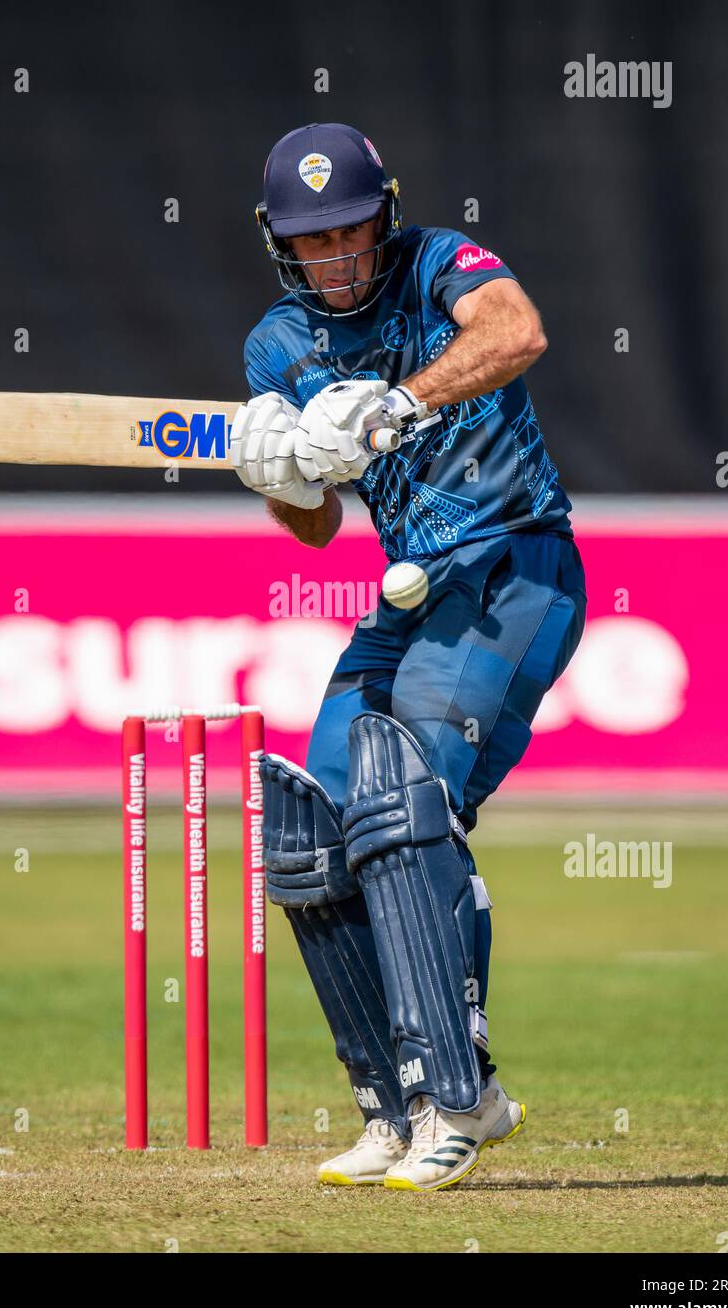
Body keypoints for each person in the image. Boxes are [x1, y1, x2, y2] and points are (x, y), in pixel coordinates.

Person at [229, 123, 587, 1191]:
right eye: (311, 241)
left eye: (350, 231)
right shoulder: (274, 346)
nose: (335, 259)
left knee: (409, 801)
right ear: (277, 243)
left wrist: (397, 400)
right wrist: (280, 476)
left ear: (385, 213)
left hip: (515, 567)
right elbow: (314, 529)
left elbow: (518, 331)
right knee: (312, 827)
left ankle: (461, 1093)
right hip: (409, 588)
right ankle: (391, 1105)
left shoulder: (439, 265)